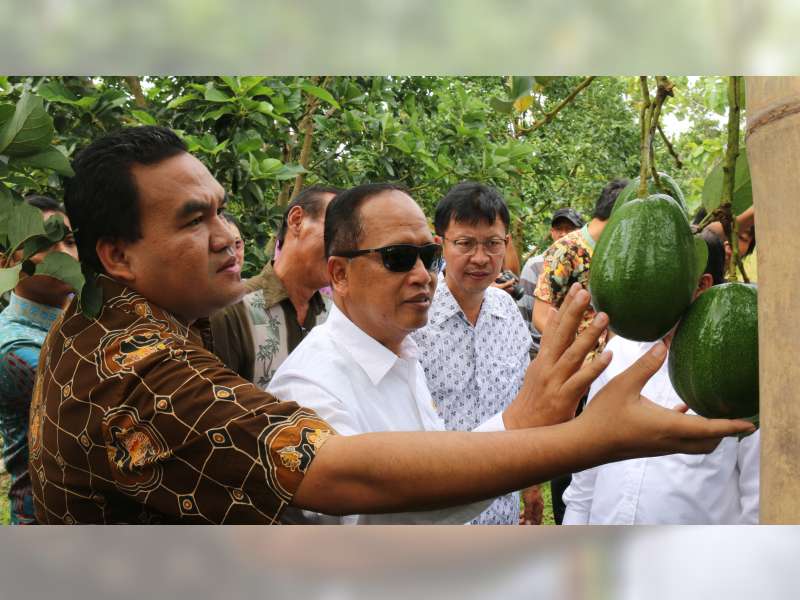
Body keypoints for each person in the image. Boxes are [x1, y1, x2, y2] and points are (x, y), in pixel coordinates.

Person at [30, 126, 753, 524]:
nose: (229, 235)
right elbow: (336, 474)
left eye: (220, 208)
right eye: (195, 219)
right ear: (116, 255)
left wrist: (524, 423)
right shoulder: (133, 366)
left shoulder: (111, 324)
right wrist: (585, 440)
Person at [267, 181, 751, 524]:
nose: (422, 275)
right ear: (340, 274)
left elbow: (440, 471)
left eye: (427, 256)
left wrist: (523, 422)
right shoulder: (307, 386)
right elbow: (375, 504)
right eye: (397, 258)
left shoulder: (399, 355)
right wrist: (588, 437)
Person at [563, 232, 760, 524]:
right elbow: (586, 479)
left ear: (701, 286)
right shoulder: (619, 352)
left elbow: (757, 499)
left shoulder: (742, 371)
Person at [410, 182, 532, 524]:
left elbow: (522, 403)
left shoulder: (509, 314)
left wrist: (531, 484)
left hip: (501, 509)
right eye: (465, 243)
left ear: (506, 244)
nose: (480, 258)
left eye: (492, 244)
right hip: (435, 514)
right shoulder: (414, 318)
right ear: (440, 245)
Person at [533, 179, 627, 524]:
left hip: (612, 371)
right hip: (574, 376)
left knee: (601, 455)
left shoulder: (622, 249)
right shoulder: (567, 249)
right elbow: (541, 314)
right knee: (567, 458)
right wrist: (579, 349)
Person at [210, 186, 340, 386]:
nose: (345, 249)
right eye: (336, 232)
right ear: (297, 221)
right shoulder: (232, 309)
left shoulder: (335, 317)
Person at [0, 195, 79, 524]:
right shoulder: (11, 349)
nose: (65, 255)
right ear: (7, 261)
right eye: (44, 245)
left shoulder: (86, 313)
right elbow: (98, 396)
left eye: (71, 242)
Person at [519, 207, 584, 358]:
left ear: (580, 232)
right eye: (559, 229)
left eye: (569, 229)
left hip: (579, 351)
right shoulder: (535, 265)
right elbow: (523, 313)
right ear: (552, 232)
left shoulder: (587, 266)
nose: (563, 234)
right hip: (540, 351)